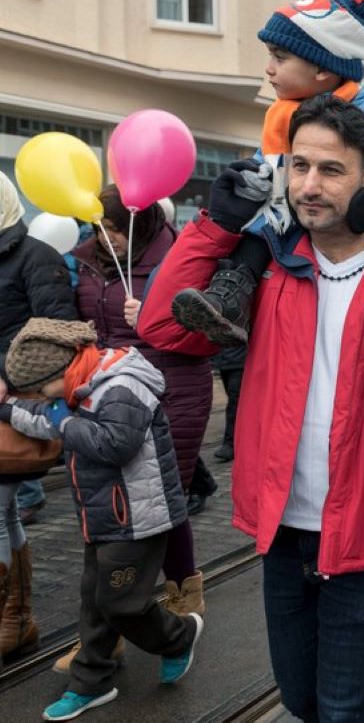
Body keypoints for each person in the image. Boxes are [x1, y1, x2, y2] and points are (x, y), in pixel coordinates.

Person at [137, 95, 364, 723]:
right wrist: (215, 227)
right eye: (298, 167)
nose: (308, 186)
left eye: (330, 170)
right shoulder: (266, 268)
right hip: (283, 535)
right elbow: (164, 327)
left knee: (347, 708)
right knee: (301, 700)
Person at [170, 0, 364, 353]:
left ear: (321, 67)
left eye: (280, 57)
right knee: (260, 222)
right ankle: (231, 296)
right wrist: (252, 182)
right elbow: (267, 163)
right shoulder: (282, 116)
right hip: (301, 216)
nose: (268, 68)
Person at [0, 318, 199, 721]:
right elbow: (47, 418)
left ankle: (179, 636)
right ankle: (91, 682)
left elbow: (114, 446)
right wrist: (7, 409)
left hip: (137, 518)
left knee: (120, 602)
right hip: (102, 516)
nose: (41, 397)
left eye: (41, 389)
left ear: (60, 372)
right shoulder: (80, 384)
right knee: (94, 601)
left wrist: (63, 420)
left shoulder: (121, 386)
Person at [72, 190, 212, 619]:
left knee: (165, 499)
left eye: (114, 228)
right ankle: (108, 622)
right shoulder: (88, 260)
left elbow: (212, 337)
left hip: (171, 391)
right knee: (106, 501)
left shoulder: (181, 258)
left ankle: (182, 598)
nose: (106, 237)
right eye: (100, 228)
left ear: (141, 223)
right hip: (108, 395)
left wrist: (155, 318)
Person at [0, 172, 77, 663]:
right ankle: (17, 616)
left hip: (15, 407)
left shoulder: (35, 257)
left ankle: (12, 618)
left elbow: (52, 334)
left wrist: (6, 374)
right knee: (4, 514)